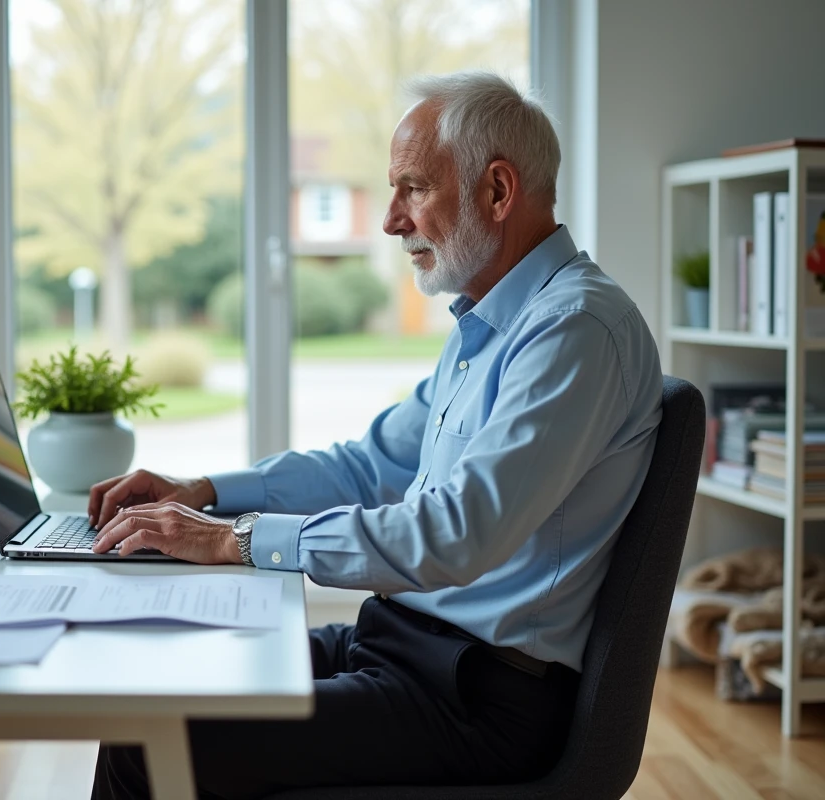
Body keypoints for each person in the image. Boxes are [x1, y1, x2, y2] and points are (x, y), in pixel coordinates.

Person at [87, 70, 663, 799]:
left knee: (154, 738)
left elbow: (456, 534)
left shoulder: (574, 330)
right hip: (400, 647)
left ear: (496, 190)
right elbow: (369, 466)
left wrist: (235, 539)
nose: (391, 221)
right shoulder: (488, 322)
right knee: (143, 687)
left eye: (413, 189)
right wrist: (204, 494)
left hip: (472, 698)